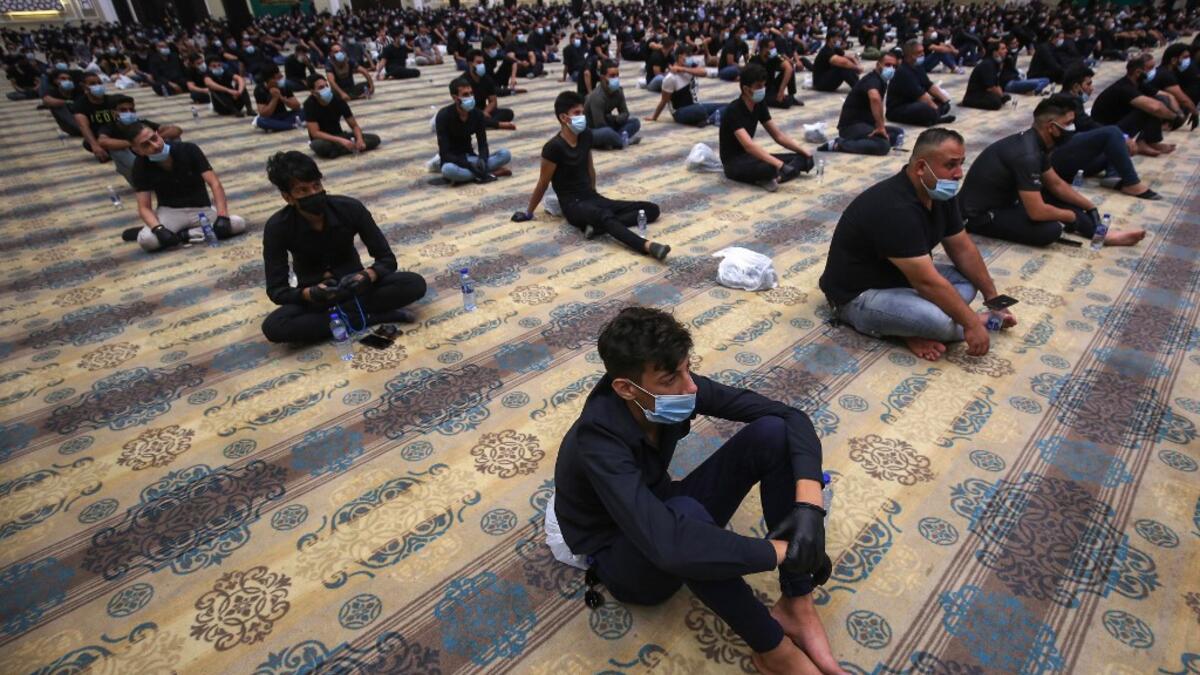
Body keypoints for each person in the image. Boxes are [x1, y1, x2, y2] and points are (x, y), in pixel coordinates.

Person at [553, 306, 841, 675]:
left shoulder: (669, 389)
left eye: (688, 367)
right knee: (688, 523)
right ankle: (772, 648)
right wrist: (786, 551)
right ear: (626, 388)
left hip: (659, 507)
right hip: (623, 556)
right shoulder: (596, 440)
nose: (690, 387)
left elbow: (791, 418)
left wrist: (809, 512)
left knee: (772, 433)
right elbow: (670, 545)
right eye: (672, 377)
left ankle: (796, 603)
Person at [819, 128, 1014, 362]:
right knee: (938, 321)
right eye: (951, 165)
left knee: (967, 280)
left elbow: (963, 249)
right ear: (921, 167)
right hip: (856, 296)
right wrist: (972, 323)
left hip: (899, 279)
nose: (959, 174)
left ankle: (908, 325)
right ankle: (905, 328)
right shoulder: (895, 209)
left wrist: (994, 301)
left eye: (961, 164)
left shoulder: (940, 194)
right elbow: (926, 283)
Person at [261, 151, 427, 344]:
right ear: (287, 197)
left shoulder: (350, 208)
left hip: (357, 287)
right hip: (317, 299)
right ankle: (373, 317)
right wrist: (309, 293)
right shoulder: (277, 227)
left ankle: (342, 321)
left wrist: (367, 276)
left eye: (317, 185)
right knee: (274, 326)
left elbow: (387, 259)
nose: (313, 193)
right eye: (303, 190)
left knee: (413, 283)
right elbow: (276, 290)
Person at [959, 96, 1146, 248]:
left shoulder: (1038, 145)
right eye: (1069, 123)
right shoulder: (1027, 155)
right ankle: (1098, 233)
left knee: (1063, 202)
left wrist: (1089, 206)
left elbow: (1056, 184)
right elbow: (1037, 212)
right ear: (1051, 127)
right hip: (979, 215)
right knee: (1050, 230)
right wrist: (1071, 217)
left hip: (1007, 200)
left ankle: (1104, 235)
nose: (1073, 128)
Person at [512, 91, 669, 261]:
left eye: (582, 112)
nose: (582, 117)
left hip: (591, 196)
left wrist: (594, 193)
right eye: (577, 113)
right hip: (573, 205)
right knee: (604, 215)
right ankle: (646, 246)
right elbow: (543, 182)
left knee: (650, 209)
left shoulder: (585, 135)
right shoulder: (553, 147)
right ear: (564, 118)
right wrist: (529, 212)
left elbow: (590, 167)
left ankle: (597, 228)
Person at [118, 125, 247, 252]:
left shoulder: (188, 149)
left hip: (201, 210)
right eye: (146, 145)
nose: (155, 146)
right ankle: (162, 230)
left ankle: (182, 235)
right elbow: (144, 207)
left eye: (154, 138)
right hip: (170, 212)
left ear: (158, 134)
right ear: (137, 150)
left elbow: (215, 183)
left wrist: (222, 215)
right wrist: (158, 229)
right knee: (147, 241)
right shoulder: (140, 166)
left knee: (238, 224)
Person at [1052, 66, 1159, 199]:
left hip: (1073, 156)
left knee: (1115, 143)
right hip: (1061, 161)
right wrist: (1122, 137)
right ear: (1075, 87)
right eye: (1088, 84)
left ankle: (1113, 176)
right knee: (1113, 133)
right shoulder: (1065, 100)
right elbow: (1086, 124)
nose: (1092, 88)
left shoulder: (1070, 99)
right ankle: (1132, 183)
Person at [719, 64, 814, 192]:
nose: (763, 89)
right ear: (746, 89)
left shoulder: (759, 104)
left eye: (763, 85)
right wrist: (779, 165)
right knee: (769, 168)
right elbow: (749, 146)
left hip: (751, 157)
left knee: (802, 158)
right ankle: (773, 175)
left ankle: (774, 177)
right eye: (758, 86)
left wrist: (803, 151)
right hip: (734, 163)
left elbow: (778, 136)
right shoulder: (733, 111)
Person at [1091, 55, 1178, 156]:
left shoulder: (1138, 84)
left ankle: (1151, 142)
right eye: (1149, 69)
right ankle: (1141, 143)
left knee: (1155, 102)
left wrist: (1177, 109)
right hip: (1106, 128)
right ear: (1137, 72)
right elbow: (1155, 107)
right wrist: (1174, 117)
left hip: (1117, 123)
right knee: (1149, 108)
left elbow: (1164, 95)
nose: (1153, 71)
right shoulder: (1124, 88)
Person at [819, 52, 903, 156]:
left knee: (898, 133)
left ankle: (868, 141)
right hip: (851, 127)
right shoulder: (872, 80)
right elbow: (875, 98)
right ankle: (839, 144)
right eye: (888, 65)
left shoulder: (881, 81)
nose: (891, 69)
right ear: (878, 65)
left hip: (867, 124)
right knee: (883, 146)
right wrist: (881, 127)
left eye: (894, 66)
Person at [436, 77, 513, 184]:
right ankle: (490, 174)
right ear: (455, 98)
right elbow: (445, 153)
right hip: (454, 161)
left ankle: (477, 174)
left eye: (471, 93)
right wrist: (468, 165)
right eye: (465, 95)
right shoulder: (443, 116)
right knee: (447, 170)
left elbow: (482, 143)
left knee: (505, 154)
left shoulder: (477, 114)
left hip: (471, 157)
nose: (470, 97)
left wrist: (482, 159)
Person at [97, 95, 183, 186]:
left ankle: (177, 172)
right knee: (116, 150)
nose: (128, 113)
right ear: (114, 113)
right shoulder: (110, 127)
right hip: (134, 164)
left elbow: (176, 129)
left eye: (131, 110)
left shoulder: (142, 123)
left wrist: (153, 138)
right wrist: (135, 143)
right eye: (123, 110)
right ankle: (142, 182)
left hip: (153, 158)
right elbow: (102, 141)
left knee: (174, 138)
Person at [645, 45, 725, 127]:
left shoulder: (689, 69)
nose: (690, 58)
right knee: (701, 111)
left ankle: (709, 120)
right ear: (680, 57)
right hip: (680, 112)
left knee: (727, 106)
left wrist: (683, 69)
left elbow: (704, 72)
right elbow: (664, 100)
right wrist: (654, 117)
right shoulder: (671, 78)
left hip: (695, 105)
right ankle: (713, 118)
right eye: (688, 56)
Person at [303, 74, 380, 159]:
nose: (326, 89)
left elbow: (354, 126)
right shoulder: (309, 104)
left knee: (375, 139)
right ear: (313, 91)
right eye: (321, 88)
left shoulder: (338, 100)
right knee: (320, 146)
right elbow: (315, 133)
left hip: (340, 135)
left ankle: (339, 151)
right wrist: (341, 141)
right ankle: (348, 148)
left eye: (326, 86)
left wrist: (359, 139)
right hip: (324, 139)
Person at [886, 40, 955, 126]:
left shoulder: (918, 67)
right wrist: (935, 108)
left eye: (923, 51)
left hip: (914, 102)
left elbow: (928, 85)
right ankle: (935, 117)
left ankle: (933, 117)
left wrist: (945, 101)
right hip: (898, 109)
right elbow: (920, 95)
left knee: (940, 102)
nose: (922, 54)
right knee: (925, 109)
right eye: (919, 52)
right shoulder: (903, 71)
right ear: (910, 55)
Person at [585, 60, 640, 149]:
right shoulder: (597, 97)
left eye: (617, 75)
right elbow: (600, 125)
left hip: (610, 124)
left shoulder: (618, 92)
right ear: (602, 77)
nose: (616, 79)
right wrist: (612, 120)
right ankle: (622, 141)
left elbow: (625, 113)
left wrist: (616, 119)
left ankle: (615, 141)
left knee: (635, 122)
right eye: (612, 76)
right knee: (607, 133)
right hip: (594, 130)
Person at [71, 72, 119, 163]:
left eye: (99, 83)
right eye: (92, 84)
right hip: (100, 138)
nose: (97, 86)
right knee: (88, 143)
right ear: (84, 86)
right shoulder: (80, 105)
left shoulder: (112, 100)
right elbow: (83, 127)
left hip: (117, 134)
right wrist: (95, 146)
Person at [1149, 43, 1198, 128]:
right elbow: (1183, 100)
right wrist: (1195, 112)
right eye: (1185, 57)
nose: (1188, 60)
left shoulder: (1166, 72)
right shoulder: (1166, 75)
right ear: (1174, 60)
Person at [465, 49, 515, 130]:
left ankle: (485, 124)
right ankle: (494, 124)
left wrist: (485, 112)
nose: (481, 65)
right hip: (470, 112)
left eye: (482, 62)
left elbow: (493, 101)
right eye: (478, 63)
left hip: (485, 111)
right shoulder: (463, 81)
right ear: (470, 64)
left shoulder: (486, 79)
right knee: (469, 119)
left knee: (508, 113)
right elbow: (465, 106)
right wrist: (480, 114)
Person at [749, 37, 801, 108]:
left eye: (774, 48)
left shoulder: (774, 58)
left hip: (772, 85)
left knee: (790, 68)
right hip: (761, 90)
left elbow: (788, 68)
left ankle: (791, 96)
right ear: (764, 49)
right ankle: (786, 99)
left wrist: (781, 91)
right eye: (771, 48)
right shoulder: (754, 60)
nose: (774, 50)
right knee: (785, 103)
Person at [960, 41, 1011, 110]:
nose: (1006, 51)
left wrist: (1001, 95)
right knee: (996, 102)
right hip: (975, 95)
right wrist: (1001, 97)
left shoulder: (995, 63)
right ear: (995, 52)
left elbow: (996, 84)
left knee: (1001, 97)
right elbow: (990, 87)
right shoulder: (988, 64)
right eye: (1003, 49)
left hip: (984, 92)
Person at [253, 64, 305, 131]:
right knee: (260, 121)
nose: (281, 78)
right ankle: (292, 125)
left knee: (305, 111)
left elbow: (297, 106)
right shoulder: (260, 90)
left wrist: (283, 99)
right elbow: (264, 113)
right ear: (270, 80)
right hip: (272, 118)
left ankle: (280, 126)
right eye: (278, 78)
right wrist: (274, 98)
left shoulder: (284, 86)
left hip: (285, 115)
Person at [41, 68, 81, 137]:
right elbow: (46, 100)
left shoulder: (78, 91)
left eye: (69, 79)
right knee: (59, 106)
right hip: (71, 126)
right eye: (63, 79)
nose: (67, 81)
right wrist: (68, 102)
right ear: (55, 81)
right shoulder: (53, 92)